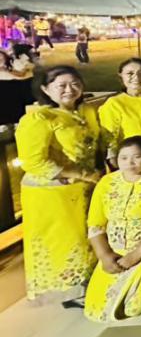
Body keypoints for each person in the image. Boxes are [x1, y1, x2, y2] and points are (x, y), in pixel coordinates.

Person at [15, 66, 101, 302]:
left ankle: (86, 285)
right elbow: (33, 161)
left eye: (75, 84)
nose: (69, 90)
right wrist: (82, 173)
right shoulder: (40, 118)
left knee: (84, 236)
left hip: (83, 188)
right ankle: (67, 292)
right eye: (61, 85)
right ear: (45, 89)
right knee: (62, 240)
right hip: (52, 192)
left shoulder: (86, 111)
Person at [84, 136, 141, 322]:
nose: (129, 163)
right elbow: (95, 224)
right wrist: (105, 255)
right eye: (123, 158)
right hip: (115, 251)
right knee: (95, 309)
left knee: (133, 306)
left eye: (136, 157)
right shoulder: (106, 183)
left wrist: (136, 254)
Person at [99, 57, 141, 170]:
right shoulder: (114, 104)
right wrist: (117, 169)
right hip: (132, 166)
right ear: (121, 76)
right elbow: (109, 142)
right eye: (130, 73)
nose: (136, 77)